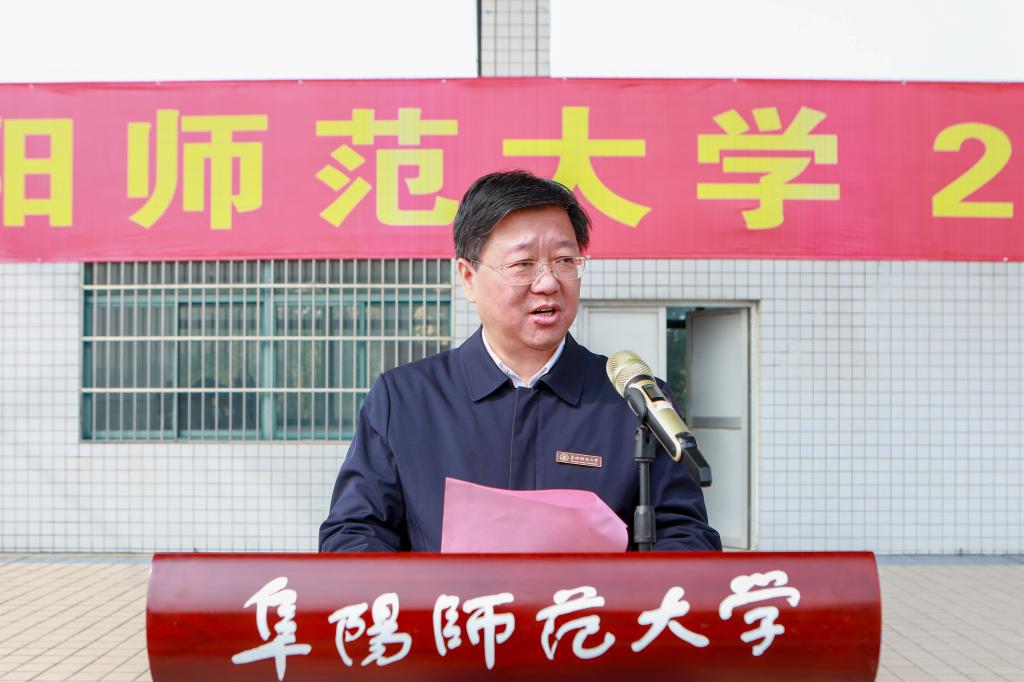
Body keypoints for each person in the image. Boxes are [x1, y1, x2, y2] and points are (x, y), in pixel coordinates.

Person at [319, 170, 721, 552]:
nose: (548, 282)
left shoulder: (634, 403)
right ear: (468, 277)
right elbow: (353, 534)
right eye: (522, 264)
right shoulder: (405, 399)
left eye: (565, 260)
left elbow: (686, 534)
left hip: (589, 606)